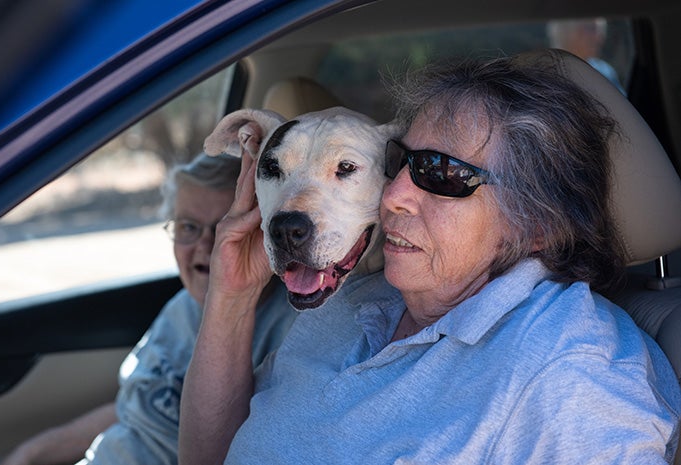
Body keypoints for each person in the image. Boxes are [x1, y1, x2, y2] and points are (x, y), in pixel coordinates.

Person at [178, 54, 680, 464]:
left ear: (536, 225)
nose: (393, 194)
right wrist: (234, 296)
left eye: (441, 173)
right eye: (402, 162)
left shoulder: (570, 375)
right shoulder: (352, 301)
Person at [3, 153, 296, 465]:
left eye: (225, 227)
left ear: (262, 232)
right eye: (188, 227)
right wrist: (30, 454)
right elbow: (135, 409)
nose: (206, 245)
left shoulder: (292, 333)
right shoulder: (183, 306)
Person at [547, 17, 624, 92]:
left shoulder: (605, 72)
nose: (599, 37)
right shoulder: (546, 75)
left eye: (600, 29)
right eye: (591, 28)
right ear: (566, 31)